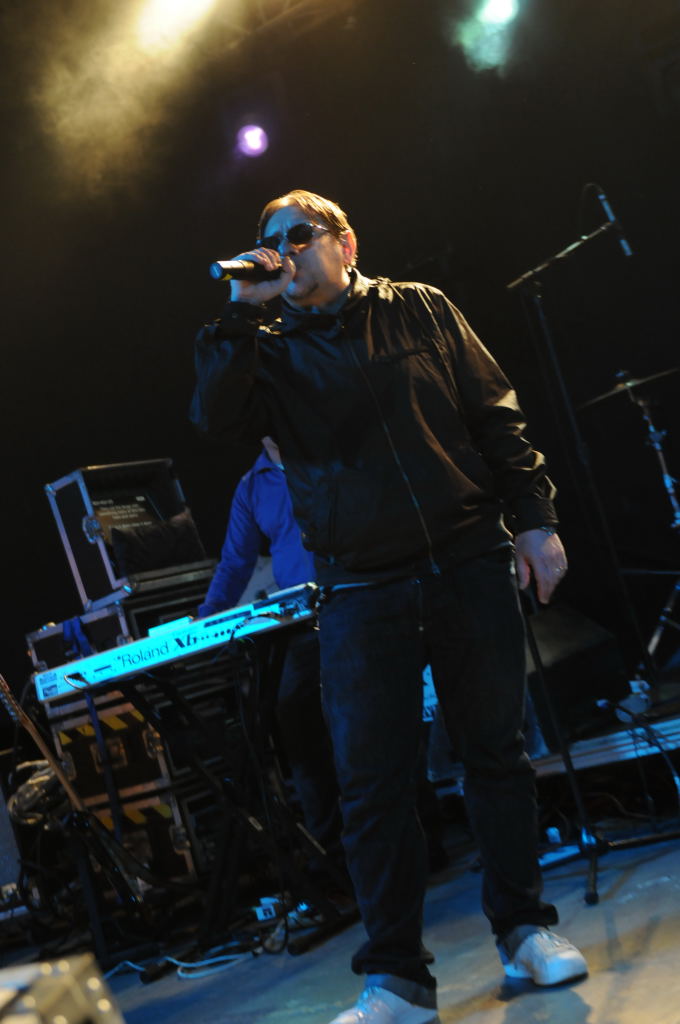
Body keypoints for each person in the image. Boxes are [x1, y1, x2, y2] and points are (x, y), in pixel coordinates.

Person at [190, 189, 588, 1024]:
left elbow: (495, 414)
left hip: (467, 559)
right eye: (268, 240)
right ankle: (397, 980)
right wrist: (241, 312)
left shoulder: (421, 309)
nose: (283, 250)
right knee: (373, 786)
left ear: (345, 243)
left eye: (299, 235)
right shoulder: (265, 347)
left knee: (496, 756)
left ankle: (524, 931)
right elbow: (215, 418)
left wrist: (537, 519)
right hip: (360, 586)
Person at [198, 436, 344, 880]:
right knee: (299, 729)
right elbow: (235, 561)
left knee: (373, 725)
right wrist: (206, 621)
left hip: (353, 604)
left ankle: (422, 840)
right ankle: (331, 861)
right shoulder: (252, 485)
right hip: (300, 622)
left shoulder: (325, 449)